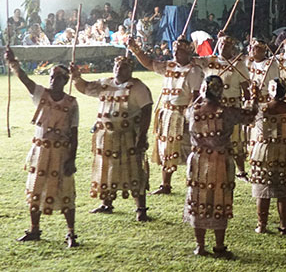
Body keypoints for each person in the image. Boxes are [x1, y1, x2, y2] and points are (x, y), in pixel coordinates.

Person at [6, 49, 79, 247]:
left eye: (57, 77)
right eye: (52, 76)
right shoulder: (41, 94)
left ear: (65, 81)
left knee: (65, 189)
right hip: (40, 151)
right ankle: (34, 229)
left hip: (61, 151)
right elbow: (25, 79)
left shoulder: (72, 103)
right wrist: (14, 63)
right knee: (36, 187)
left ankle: (71, 233)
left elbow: (74, 133)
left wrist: (71, 159)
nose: (53, 80)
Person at [70, 56, 153, 221]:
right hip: (105, 136)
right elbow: (85, 87)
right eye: (116, 66)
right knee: (106, 167)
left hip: (128, 135)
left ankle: (140, 208)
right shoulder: (105, 83)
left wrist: (142, 136)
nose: (118, 69)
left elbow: (146, 111)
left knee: (134, 170)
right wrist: (76, 76)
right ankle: (106, 202)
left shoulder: (138, 88)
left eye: (123, 67)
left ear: (130, 70)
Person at [184, 76, 256, 258]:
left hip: (198, 160)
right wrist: (253, 99)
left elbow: (188, 111)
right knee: (219, 199)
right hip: (220, 160)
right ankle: (219, 246)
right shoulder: (226, 112)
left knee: (198, 198)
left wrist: (199, 98)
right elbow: (249, 116)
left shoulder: (192, 110)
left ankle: (200, 245)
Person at [128, 37, 204, 194]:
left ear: (189, 51)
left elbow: (196, 96)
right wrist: (135, 49)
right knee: (167, 148)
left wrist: (189, 114)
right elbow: (149, 63)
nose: (176, 54)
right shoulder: (169, 66)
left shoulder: (195, 71)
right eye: (175, 50)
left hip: (183, 114)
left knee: (191, 149)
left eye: (180, 51)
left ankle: (196, 181)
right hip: (167, 113)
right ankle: (165, 184)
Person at [248, 79, 286, 235]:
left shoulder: (261, 109)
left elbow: (247, 114)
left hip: (264, 151)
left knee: (263, 189)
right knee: (284, 191)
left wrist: (253, 97)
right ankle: (284, 226)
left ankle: (261, 225)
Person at [195, 34, 251, 179]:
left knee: (235, 139)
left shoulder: (238, 64)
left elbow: (246, 88)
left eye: (227, 44)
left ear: (233, 48)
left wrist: (248, 105)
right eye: (221, 43)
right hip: (211, 107)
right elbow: (191, 60)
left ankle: (241, 171)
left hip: (231, 106)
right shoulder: (209, 61)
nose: (223, 46)